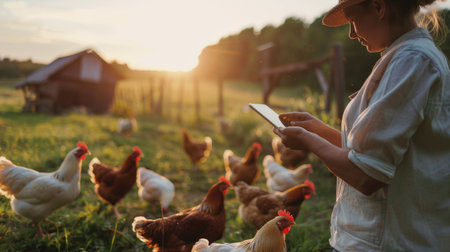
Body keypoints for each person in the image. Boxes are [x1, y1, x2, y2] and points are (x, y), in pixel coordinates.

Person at [274, 0, 450, 251]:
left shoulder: (412, 61)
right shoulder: (402, 57)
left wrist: (307, 140)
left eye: (353, 19)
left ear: (379, 7)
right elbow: (369, 151)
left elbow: (366, 174)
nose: (351, 33)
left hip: (389, 240)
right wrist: (317, 129)